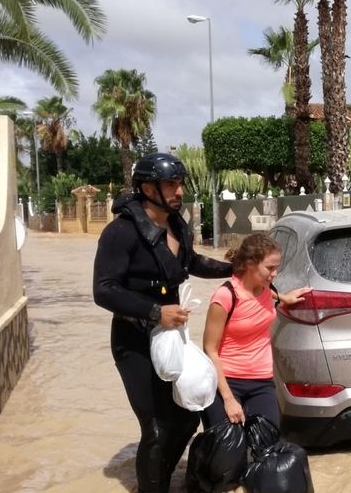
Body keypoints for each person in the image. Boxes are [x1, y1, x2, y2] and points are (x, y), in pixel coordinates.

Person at [93, 152, 233, 493]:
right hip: (135, 341)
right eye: (171, 184)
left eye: (180, 184)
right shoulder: (121, 232)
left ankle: (158, 482)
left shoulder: (176, 225)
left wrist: (233, 269)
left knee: (185, 417)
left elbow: (192, 261)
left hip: (172, 338)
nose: (179, 191)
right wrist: (155, 312)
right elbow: (103, 290)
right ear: (147, 187)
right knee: (156, 426)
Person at [200, 234, 311, 430]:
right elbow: (210, 350)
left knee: (267, 445)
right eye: (270, 268)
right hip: (227, 381)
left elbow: (268, 295)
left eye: (276, 267)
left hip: (261, 381)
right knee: (228, 454)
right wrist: (228, 399)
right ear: (250, 264)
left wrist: (285, 297)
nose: (275, 273)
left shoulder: (266, 289)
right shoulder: (225, 296)